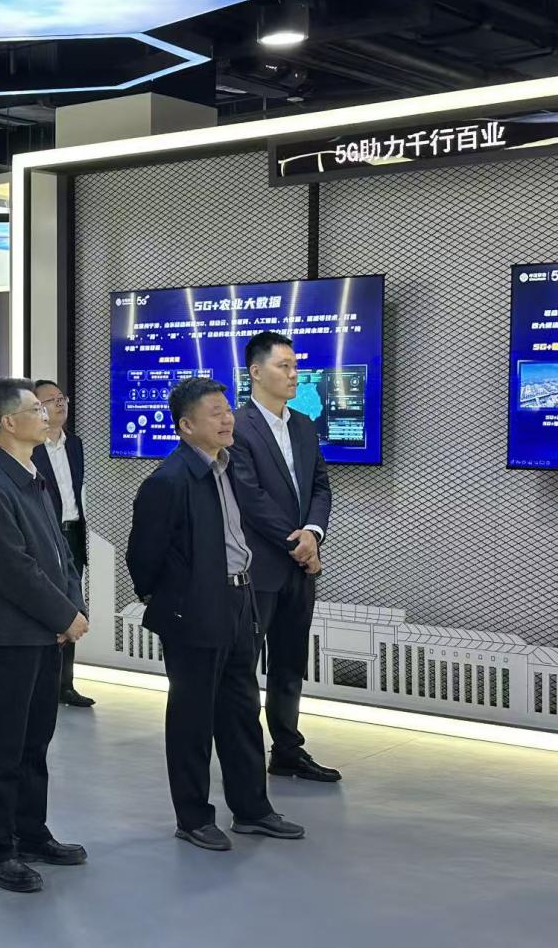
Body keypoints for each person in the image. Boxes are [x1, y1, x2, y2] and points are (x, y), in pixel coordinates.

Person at [127, 377, 305, 851]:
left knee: (242, 712)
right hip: (194, 612)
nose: (228, 419)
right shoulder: (169, 480)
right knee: (192, 719)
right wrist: (175, 604)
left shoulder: (227, 467)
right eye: (215, 413)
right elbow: (142, 558)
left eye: (228, 410)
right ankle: (193, 818)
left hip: (240, 602)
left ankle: (252, 810)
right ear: (186, 426)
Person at [0, 379, 89, 894]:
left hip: (44, 633)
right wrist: (63, 615)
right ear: (8, 423)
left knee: (35, 741)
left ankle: (31, 833)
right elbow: (14, 570)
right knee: (3, 747)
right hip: (10, 636)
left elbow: (61, 554)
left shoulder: (33, 477)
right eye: (36, 408)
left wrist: (73, 607)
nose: (47, 414)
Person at [228, 332, 339, 783]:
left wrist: (313, 533)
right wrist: (297, 543)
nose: (294, 375)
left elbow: (320, 487)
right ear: (256, 372)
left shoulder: (304, 425)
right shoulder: (237, 427)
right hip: (259, 568)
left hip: (300, 567)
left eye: (296, 366)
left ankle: (288, 750)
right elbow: (249, 497)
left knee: (290, 664)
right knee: (244, 667)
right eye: (284, 366)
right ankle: (244, 758)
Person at [31, 379, 96, 709]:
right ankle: (41, 684)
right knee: (47, 607)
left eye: (62, 398)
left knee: (72, 606)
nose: (60, 404)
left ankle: (65, 685)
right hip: (45, 535)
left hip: (72, 533)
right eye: (50, 400)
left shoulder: (75, 444)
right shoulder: (31, 448)